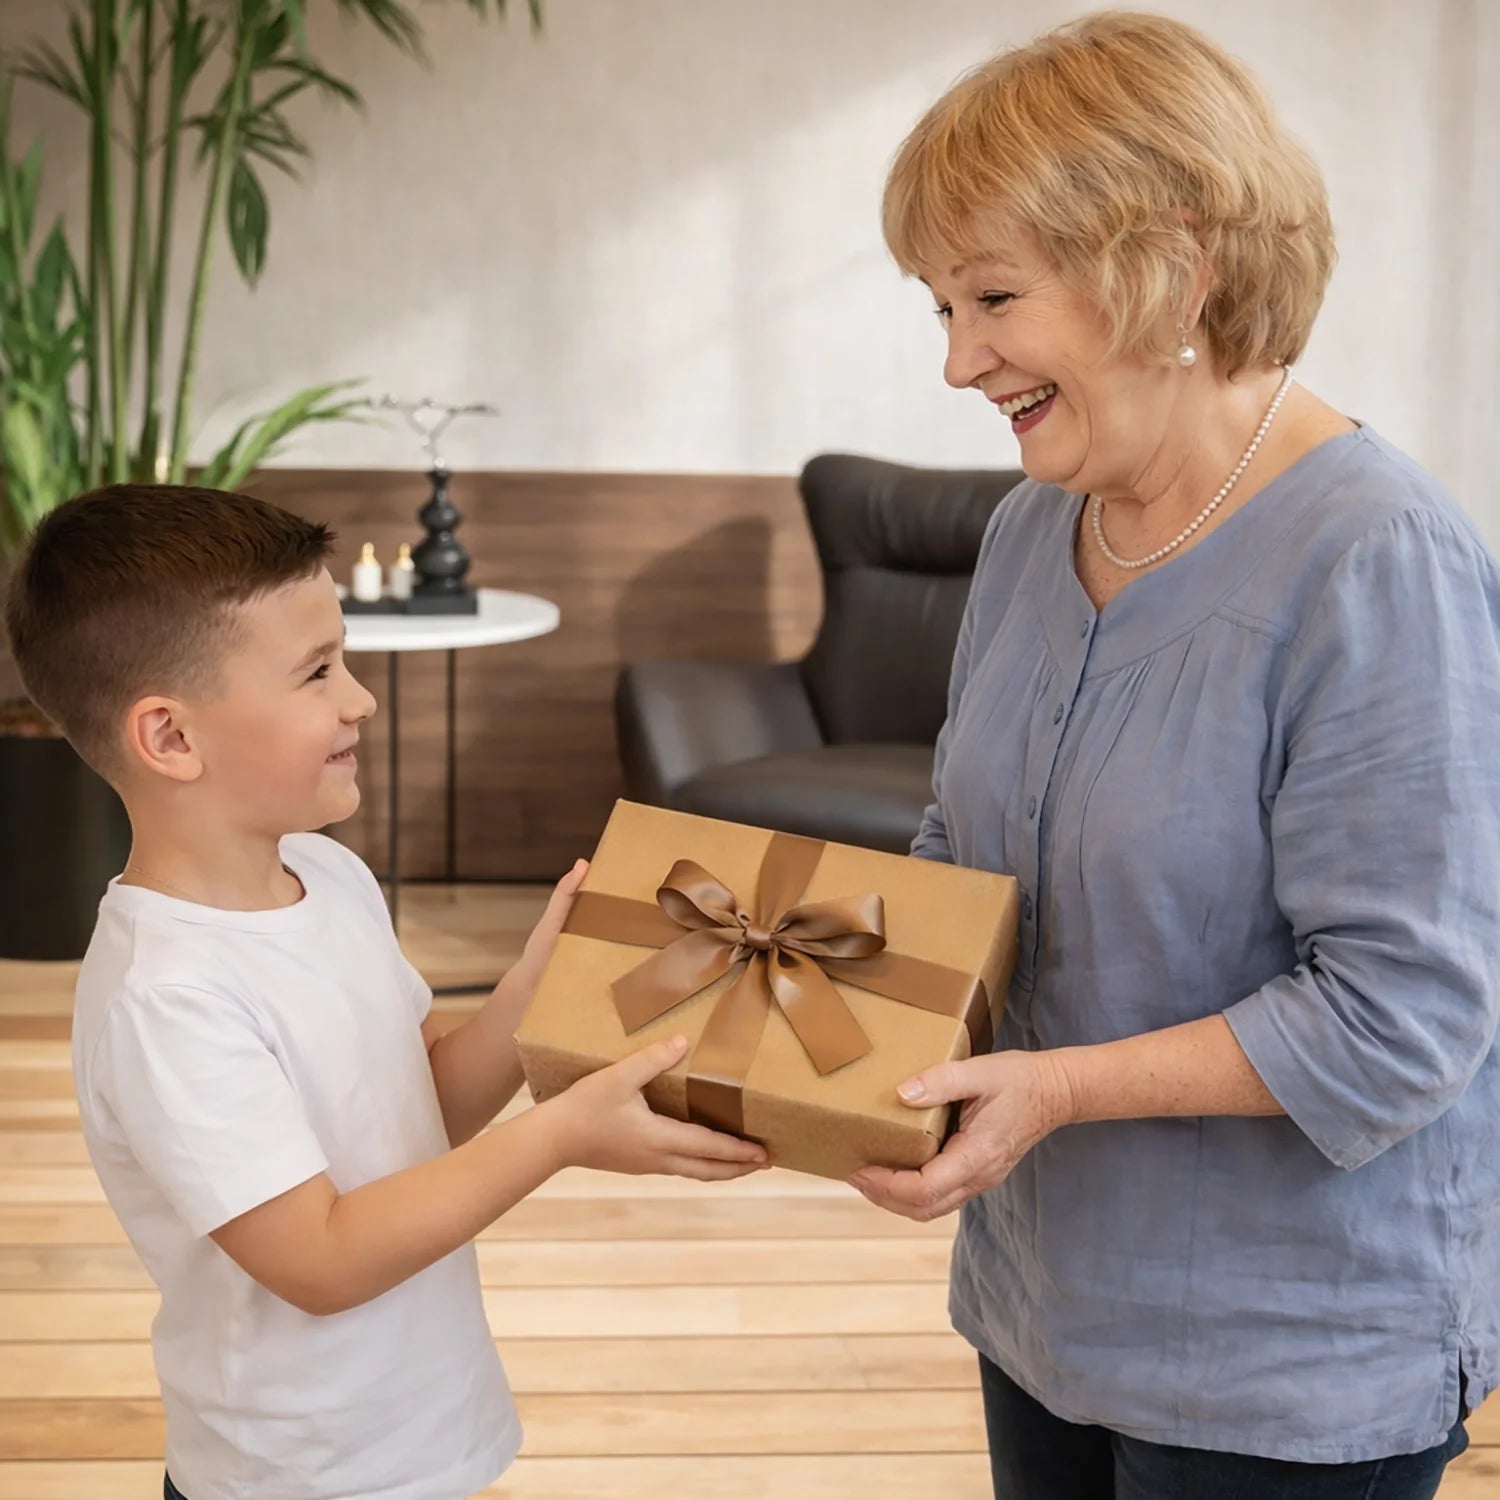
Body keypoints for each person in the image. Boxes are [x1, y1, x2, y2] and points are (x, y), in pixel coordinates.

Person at [848, 11, 1500, 1499]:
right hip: (1042, 1300)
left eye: (993, 297)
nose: (958, 363)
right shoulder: (1029, 530)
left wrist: (1059, 1090)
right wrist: (831, 1025)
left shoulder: (1375, 559)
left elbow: (1402, 1017)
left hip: (1290, 1348)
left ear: (1173, 266)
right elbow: (965, 859)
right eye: (938, 309)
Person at [3, 483, 768, 1500]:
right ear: (171, 738)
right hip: (294, 1475)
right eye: (318, 672)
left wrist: (536, 981)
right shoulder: (167, 996)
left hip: (423, 1432)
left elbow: (420, 1109)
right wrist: (559, 1135)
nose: (359, 698)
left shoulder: (327, 875)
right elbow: (317, 1259)